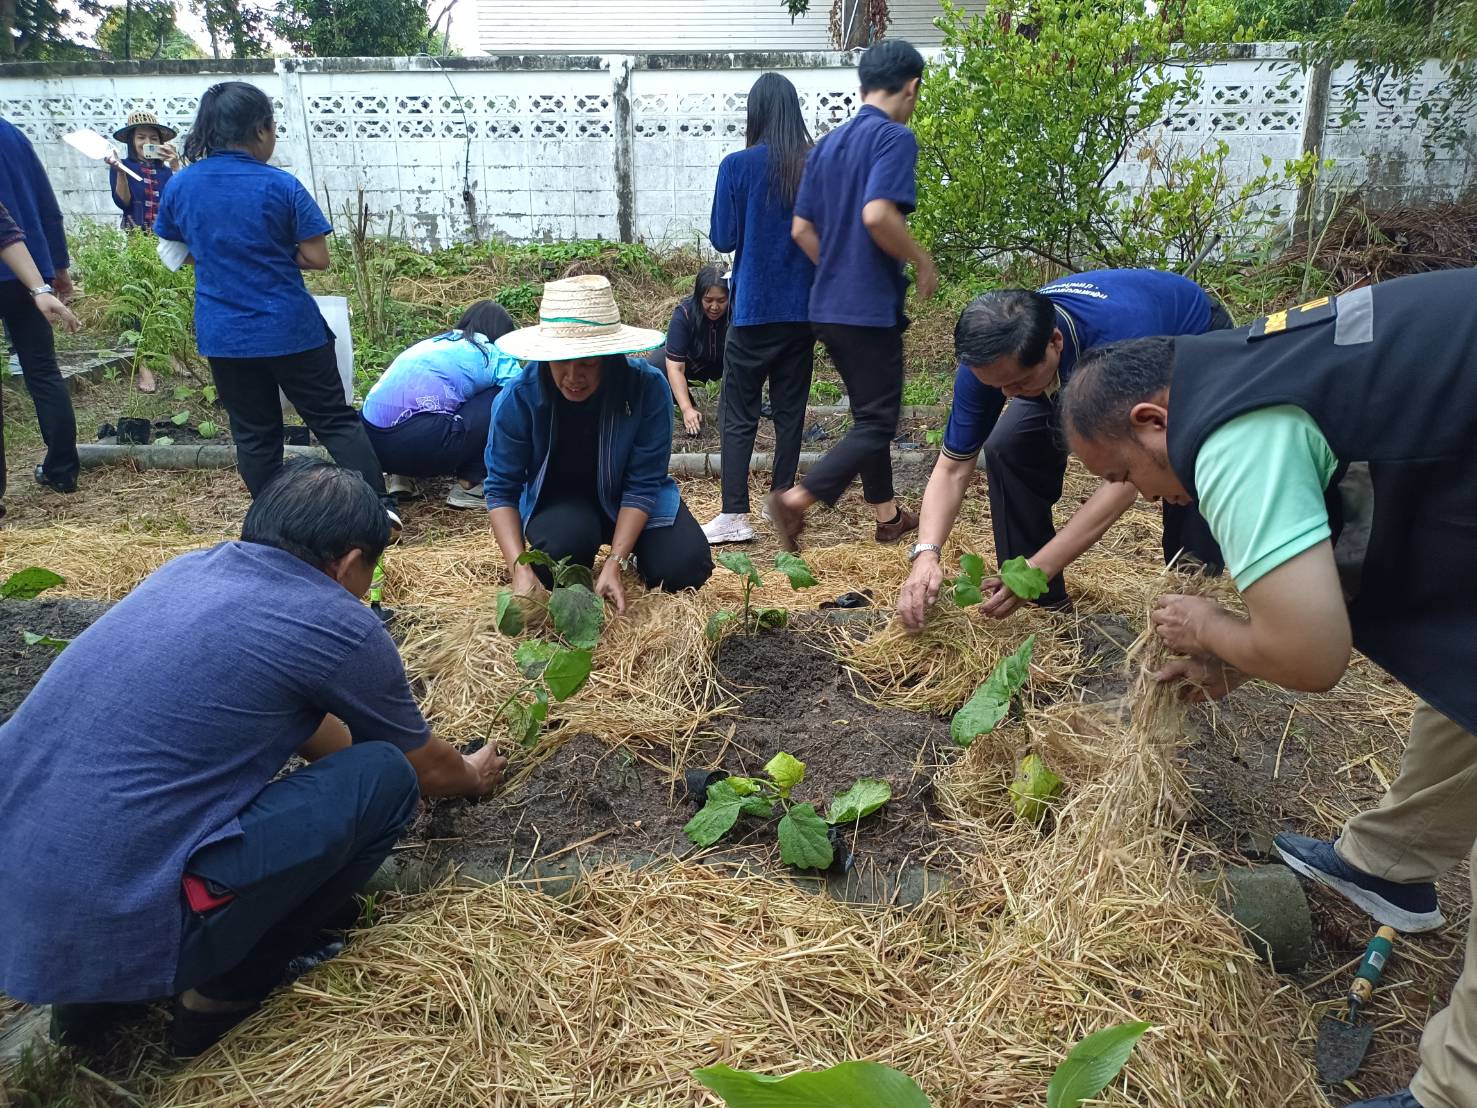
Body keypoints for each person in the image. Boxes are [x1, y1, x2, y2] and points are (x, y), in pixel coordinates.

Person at [1057, 269, 1477, 1108]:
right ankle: (1390, 865)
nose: (1149, 499)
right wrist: (1245, 657)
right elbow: (1358, 515)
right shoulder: (1247, 363)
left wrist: (1211, 627)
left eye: (1129, 477)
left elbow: (1314, 657)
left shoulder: (1233, 434)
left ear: (1152, 420)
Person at [0, 460, 507, 1058]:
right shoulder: (337, 620)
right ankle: (221, 995)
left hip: (21, 900)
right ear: (348, 563)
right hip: (119, 907)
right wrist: (472, 774)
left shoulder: (188, 571)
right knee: (387, 778)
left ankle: (84, 1013)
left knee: (117, 811)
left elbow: (306, 721)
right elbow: (425, 771)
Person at [897, 270, 1233, 630]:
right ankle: (1042, 609)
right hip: (1070, 365)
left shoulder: (1120, 341)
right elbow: (951, 469)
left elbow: (1131, 475)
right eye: (997, 386)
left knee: (1186, 461)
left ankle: (1191, 606)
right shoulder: (992, 364)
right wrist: (925, 554)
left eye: (1018, 382)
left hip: (1187, 339)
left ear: (1055, 342)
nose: (1007, 394)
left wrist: (1044, 564)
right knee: (1010, 446)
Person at [153, 81, 401, 530]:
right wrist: (270, 250)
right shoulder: (279, 185)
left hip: (225, 334)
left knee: (254, 434)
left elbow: (173, 250)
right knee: (334, 421)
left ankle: (274, 524)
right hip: (290, 328)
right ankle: (379, 511)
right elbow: (317, 258)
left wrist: (221, 253)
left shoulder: (182, 186)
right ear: (261, 129)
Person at [769, 38, 937, 550]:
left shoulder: (826, 146)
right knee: (878, 420)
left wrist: (838, 267)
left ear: (863, 85)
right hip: (867, 309)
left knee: (870, 412)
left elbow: (801, 229)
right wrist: (920, 259)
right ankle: (796, 500)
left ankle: (888, 518)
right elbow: (877, 214)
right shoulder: (893, 139)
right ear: (910, 88)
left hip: (825, 306)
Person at [487, 275, 713, 613]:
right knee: (560, 555)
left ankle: (635, 553)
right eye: (561, 361)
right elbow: (501, 488)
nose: (573, 376)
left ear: (609, 356)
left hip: (628, 500)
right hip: (561, 503)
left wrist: (616, 562)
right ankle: (576, 542)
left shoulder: (646, 389)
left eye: (588, 363)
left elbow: (642, 484)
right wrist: (519, 570)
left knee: (685, 566)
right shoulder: (519, 399)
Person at [701, 71, 817, 546]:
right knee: (790, 411)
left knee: (739, 413)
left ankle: (734, 514)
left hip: (752, 312)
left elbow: (723, 238)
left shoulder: (737, 165)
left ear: (756, 113)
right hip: (803, 312)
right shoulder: (816, 164)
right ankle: (783, 498)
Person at [361, 300, 522, 509]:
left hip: (371, 445)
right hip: (419, 445)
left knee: (413, 402)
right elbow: (522, 392)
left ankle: (401, 479)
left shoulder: (433, 343)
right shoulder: (492, 353)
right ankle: (469, 485)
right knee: (502, 395)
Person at [0, 115, 80, 502]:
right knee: (43, 370)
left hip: (24, 271)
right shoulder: (12, 134)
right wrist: (56, 268)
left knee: (42, 369)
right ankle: (63, 470)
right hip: (28, 272)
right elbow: (46, 205)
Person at [648, 266, 729, 436]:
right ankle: (691, 408)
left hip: (725, 366)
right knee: (656, 364)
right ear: (699, 297)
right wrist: (686, 408)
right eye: (708, 300)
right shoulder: (684, 314)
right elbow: (675, 368)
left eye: (721, 301)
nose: (714, 307)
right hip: (692, 368)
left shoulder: (737, 313)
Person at [107, 109, 181, 234]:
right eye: (141, 137)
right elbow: (123, 203)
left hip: (167, 236)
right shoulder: (122, 166)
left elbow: (181, 202)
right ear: (132, 141)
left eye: (154, 138)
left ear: (160, 142)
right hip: (137, 239)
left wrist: (175, 167)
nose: (148, 143)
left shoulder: (168, 172)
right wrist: (121, 173)